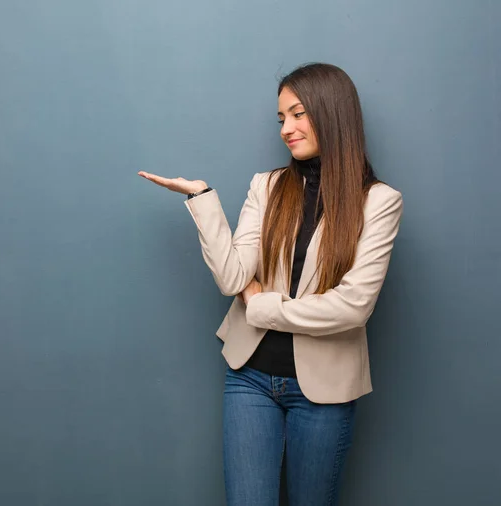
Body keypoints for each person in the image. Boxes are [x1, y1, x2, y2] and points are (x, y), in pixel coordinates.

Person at [138, 62, 403, 506]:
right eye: (281, 118)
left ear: (332, 112)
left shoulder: (379, 201)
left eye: (298, 114)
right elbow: (233, 278)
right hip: (250, 379)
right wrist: (201, 200)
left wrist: (262, 307)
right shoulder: (268, 186)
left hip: (325, 389)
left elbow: (353, 306)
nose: (287, 128)